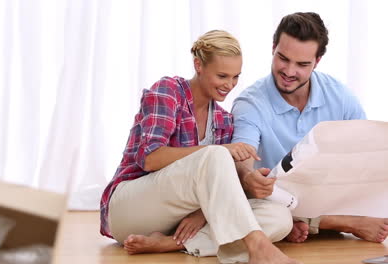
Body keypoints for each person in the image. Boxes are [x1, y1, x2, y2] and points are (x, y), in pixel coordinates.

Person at [100, 30, 301, 264]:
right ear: (198, 65)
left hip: (175, 221)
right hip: (130, 208)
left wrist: (205, 212)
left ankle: (173, 243)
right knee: (216, 155)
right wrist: (221, 152)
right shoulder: (168, 91)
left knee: (279, 218)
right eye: (222, 75)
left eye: (235, 77)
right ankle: (259, 249)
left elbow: (218, 184)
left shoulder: (224, 120)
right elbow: (150, 158)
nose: (230, 85)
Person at [231, 12, 388, 244]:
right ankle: (339, 222)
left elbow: (364, 154)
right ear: (273, 48)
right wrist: (247, 176)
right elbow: (242, 153)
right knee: (269, 210)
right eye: (282, 58)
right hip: (278, 200)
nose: (289, 71)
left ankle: (315, 221)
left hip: (329, 195)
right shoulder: (250, 103)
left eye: (302, 64)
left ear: (317, 61)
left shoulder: (340, 96)